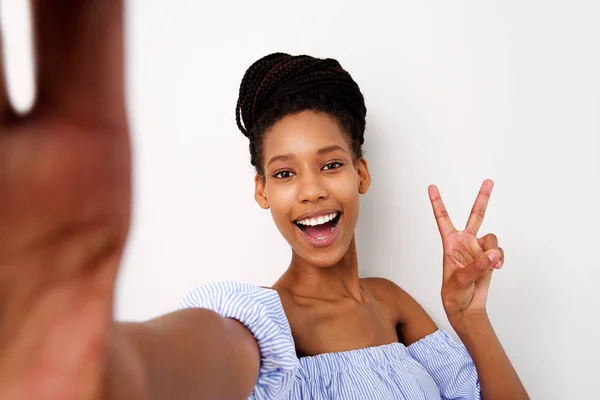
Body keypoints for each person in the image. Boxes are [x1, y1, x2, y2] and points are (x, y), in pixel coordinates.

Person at [0, 2, 528, 399]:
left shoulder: (392, 303)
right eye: (284, 172)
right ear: (262, 191)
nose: (312, 189)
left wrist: (470, 318)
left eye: (331, 164)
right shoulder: (260, 324)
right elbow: (191, 358)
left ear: (360, 173)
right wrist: (98, 364)